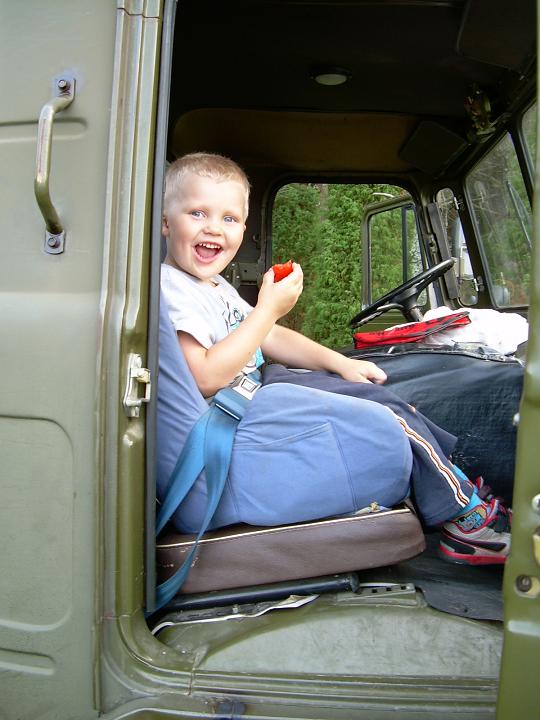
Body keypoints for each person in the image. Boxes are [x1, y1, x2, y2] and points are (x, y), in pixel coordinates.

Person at [160, 151, 511, 565]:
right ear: (166, 223)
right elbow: (204, 375)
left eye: (229, 218)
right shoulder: (174, 289)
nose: (214, 228)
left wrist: (339, 363)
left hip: (258, 391)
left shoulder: (213, 285)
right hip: (237, 411)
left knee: (383, 396)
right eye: (198, 213)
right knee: (389, 416)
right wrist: (267, 310)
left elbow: (268, 336)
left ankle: (455, 485)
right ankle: (466, 518)